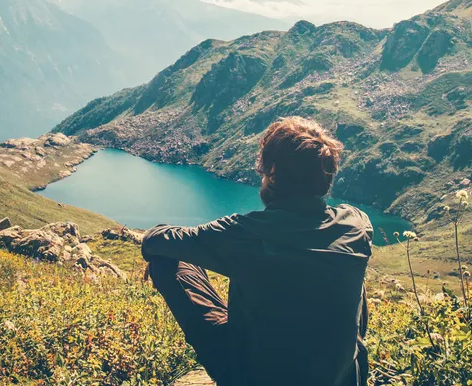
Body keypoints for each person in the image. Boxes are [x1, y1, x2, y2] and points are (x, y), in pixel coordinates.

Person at [141, 116, 371, 386]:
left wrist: (167, 253)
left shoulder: (246, 233)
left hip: (254, 377)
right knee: (349, 269)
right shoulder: (357, 224)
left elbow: (153, 240)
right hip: (343, 378)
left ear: (271, 171)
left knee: (165, 261)